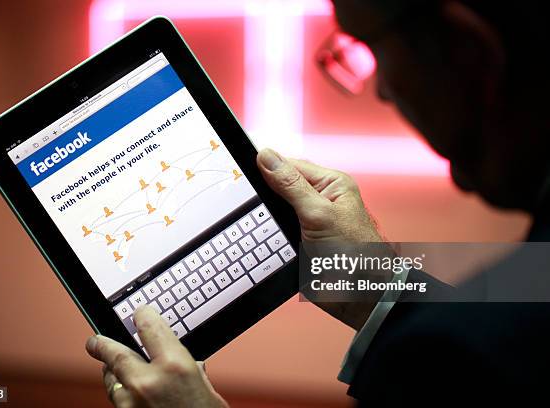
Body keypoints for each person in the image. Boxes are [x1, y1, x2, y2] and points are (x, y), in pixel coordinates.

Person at [85, 0, 550, 406]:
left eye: (370, 46)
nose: (383, 89)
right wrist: (369, 282)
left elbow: (485, 358)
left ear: (471, 52)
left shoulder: (463, 350)